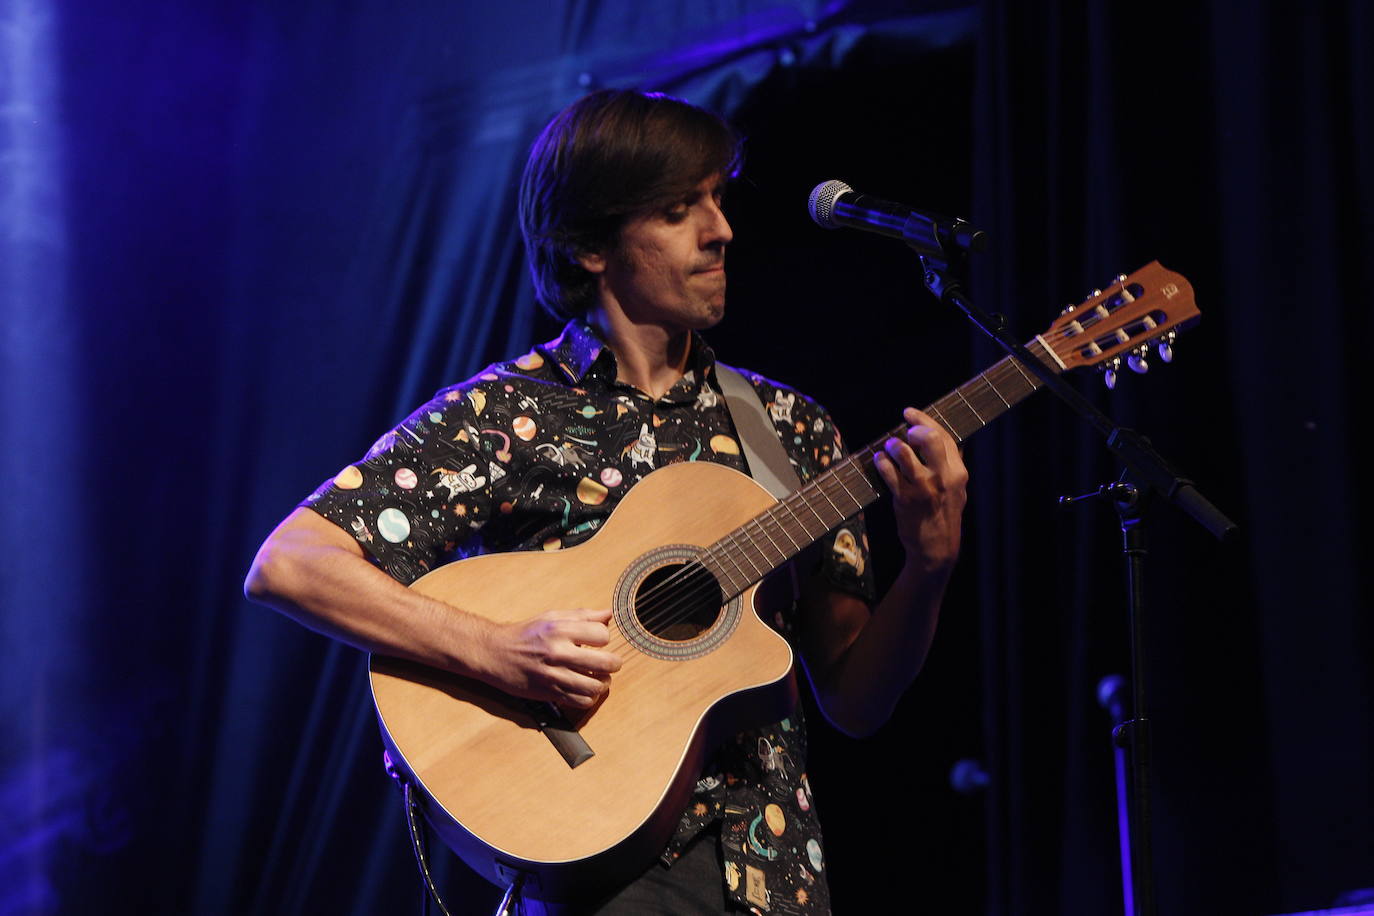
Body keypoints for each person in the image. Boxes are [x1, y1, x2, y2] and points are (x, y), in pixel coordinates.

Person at [244, 88, 968, 914]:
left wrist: (931, 568)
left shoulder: (790, 428)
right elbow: (292, 564)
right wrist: (494, 649)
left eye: (717, 200)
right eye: (676, 209)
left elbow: (856, 702)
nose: (721, 231)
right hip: (597, 870)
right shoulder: (506, 415)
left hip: (776, 879)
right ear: (590, 245)